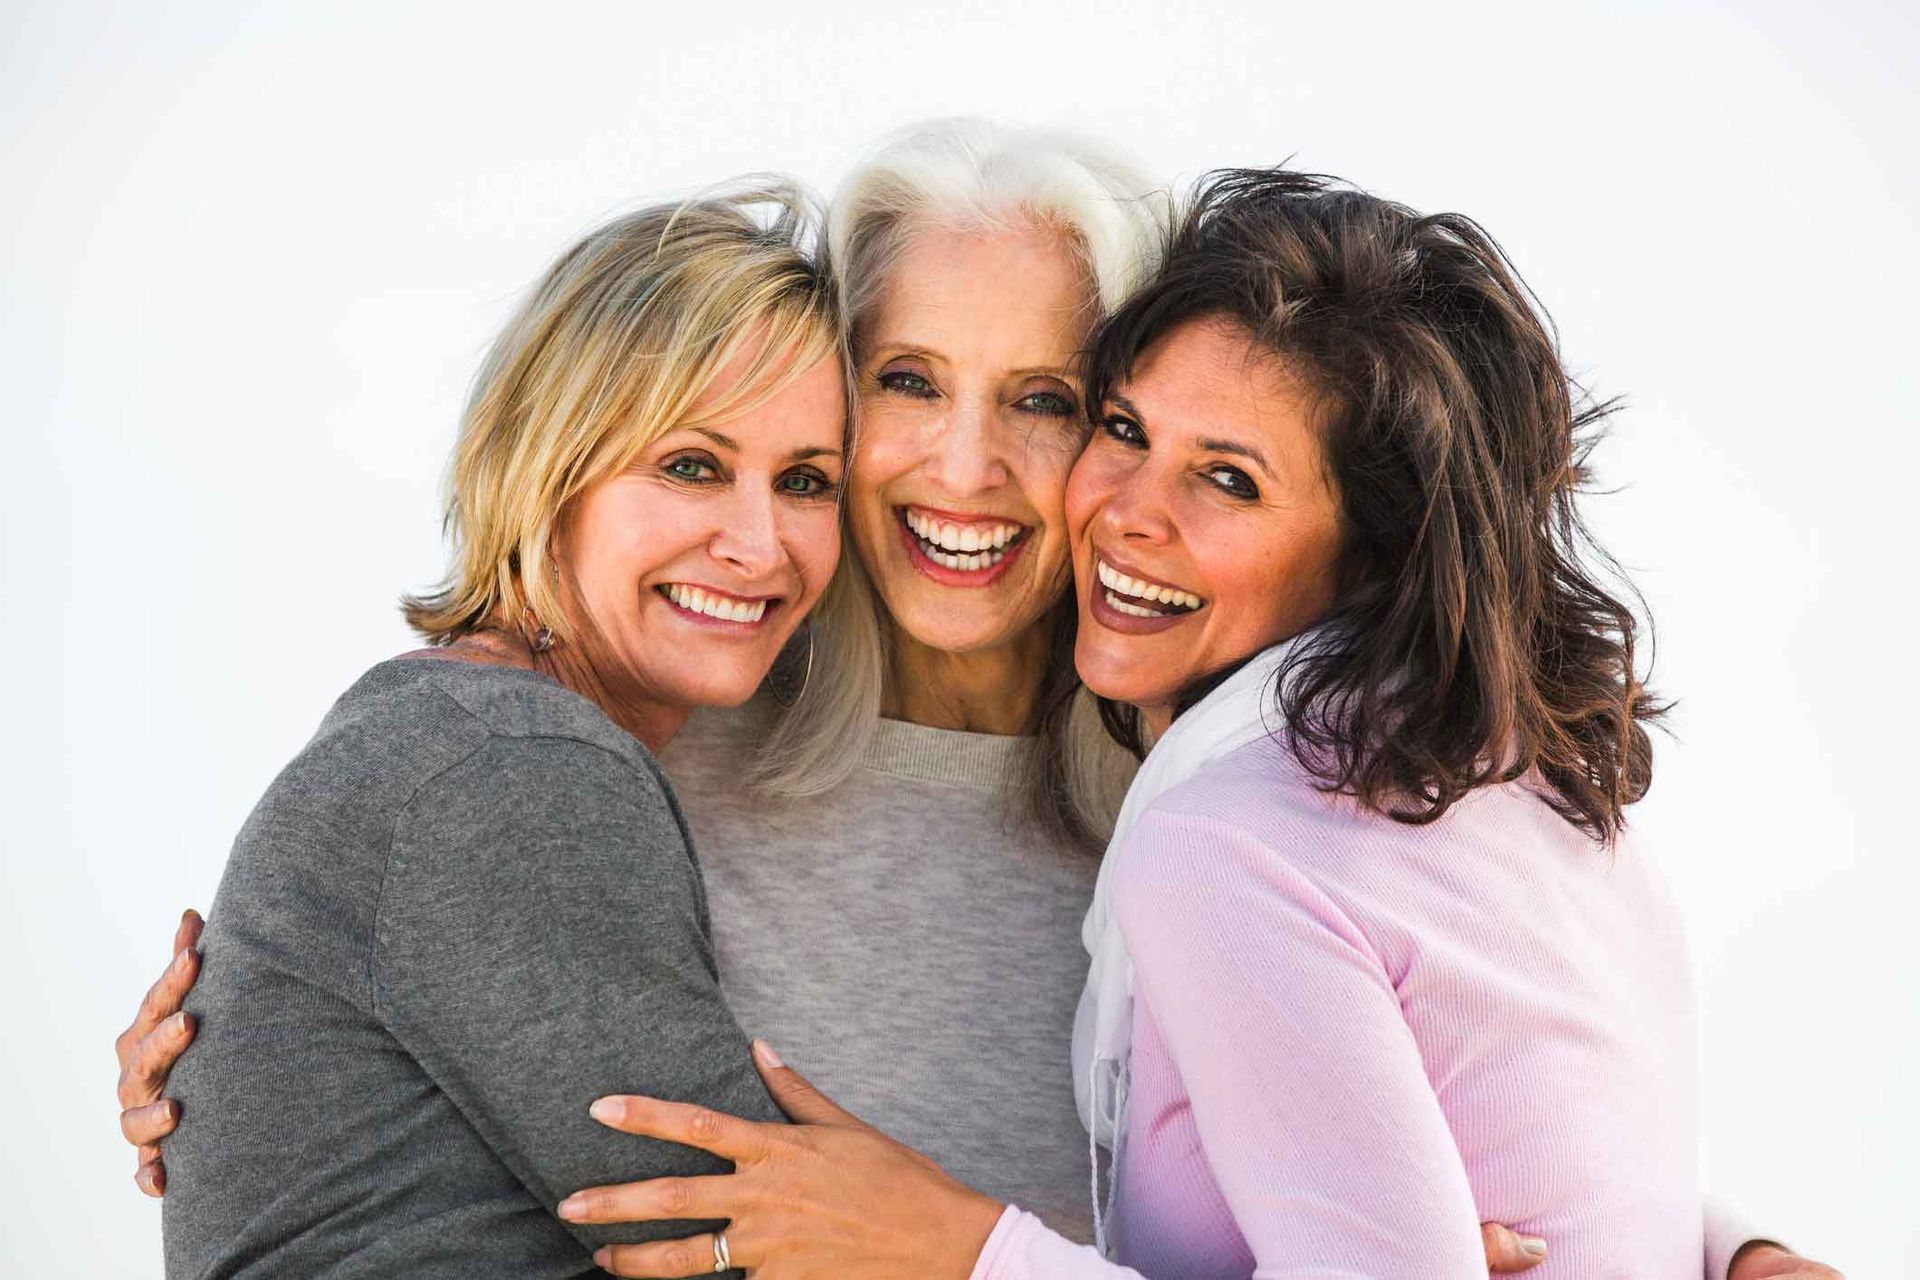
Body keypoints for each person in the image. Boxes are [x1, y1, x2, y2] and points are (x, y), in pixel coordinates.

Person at [116, 124, 1817, 1277]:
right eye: (907, 382)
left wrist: (1707, 1243)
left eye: (1052, 399)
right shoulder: (654, 745)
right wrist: (252, 1052)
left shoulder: (1205, 806)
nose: (966, 467)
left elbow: (1465, 1056)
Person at [151, 184, 855, 1278]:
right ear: (550, 465)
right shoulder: (516, 767)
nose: (761, 545)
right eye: (691, 464)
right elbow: (763, 1246)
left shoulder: (452, 731)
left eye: (807, 480)